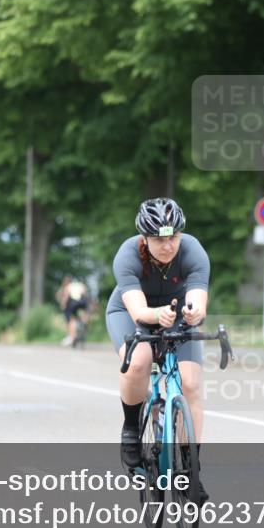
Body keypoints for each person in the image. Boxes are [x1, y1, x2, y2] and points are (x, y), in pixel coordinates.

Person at [105, 197, 210, 500]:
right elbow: (138, 311)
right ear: (145, 238)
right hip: (130, 312)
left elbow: (198, 299)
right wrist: (156, 316)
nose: (168, 245)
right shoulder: (127, 255)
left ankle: (191, 470)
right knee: (139, 361)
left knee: (190, 384)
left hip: (177, 313)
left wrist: (194, 312)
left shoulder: (193, 251)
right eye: (159, 239)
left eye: (173, 237)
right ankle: (130, 429)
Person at [57, 276, 90, 346]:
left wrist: (63, 305)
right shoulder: (81, 285)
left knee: (71, 319)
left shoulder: (68, 286)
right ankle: (84, 323)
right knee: (84, 314)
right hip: (83, 302)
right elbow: (86, 295)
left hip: (73, 303)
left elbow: (66, 296)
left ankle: (73, 336)